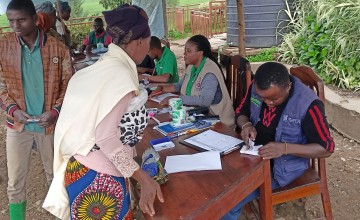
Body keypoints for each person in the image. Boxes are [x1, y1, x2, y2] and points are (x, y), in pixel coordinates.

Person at [43, 4, 164, 219]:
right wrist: (143, 178)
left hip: (83, 168)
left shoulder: (106, 65)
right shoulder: (119, 75)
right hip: (100, 178)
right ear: (140, 41)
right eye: (148, 40)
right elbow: (106, 137)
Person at [222, 62, 335, 219]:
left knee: (227, 202)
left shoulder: (308, 104)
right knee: (219, 180)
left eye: (274, 99)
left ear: (288, 86)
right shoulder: (257, 86)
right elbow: (241, 111)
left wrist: (285, 148)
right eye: (263, 98)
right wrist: (246, 125)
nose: (268, 103)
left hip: (281, 169)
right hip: (252, 156)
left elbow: (326, 148)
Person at [0, 0, 73, 219]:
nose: (16, 26)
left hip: (48, 125)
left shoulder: (56, 47)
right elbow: (1, 86)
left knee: (55, 177)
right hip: (18, 125)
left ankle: (60, 215)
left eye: (21, 20)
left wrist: (55, 112)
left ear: (34, 18)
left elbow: (68, 85)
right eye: (11, 21)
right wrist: (13, 111)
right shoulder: (4, 46)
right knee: (15, 182)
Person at [151, 34, 235, 127]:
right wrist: (162, 88)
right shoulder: (192, 66)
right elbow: (181, 85)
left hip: (219, 123)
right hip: (199, 115)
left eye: (188, 51)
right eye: (185, 51)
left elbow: (205, 100)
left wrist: (177, 100)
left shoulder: (209, 72)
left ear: (200, 53)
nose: (184, 54)